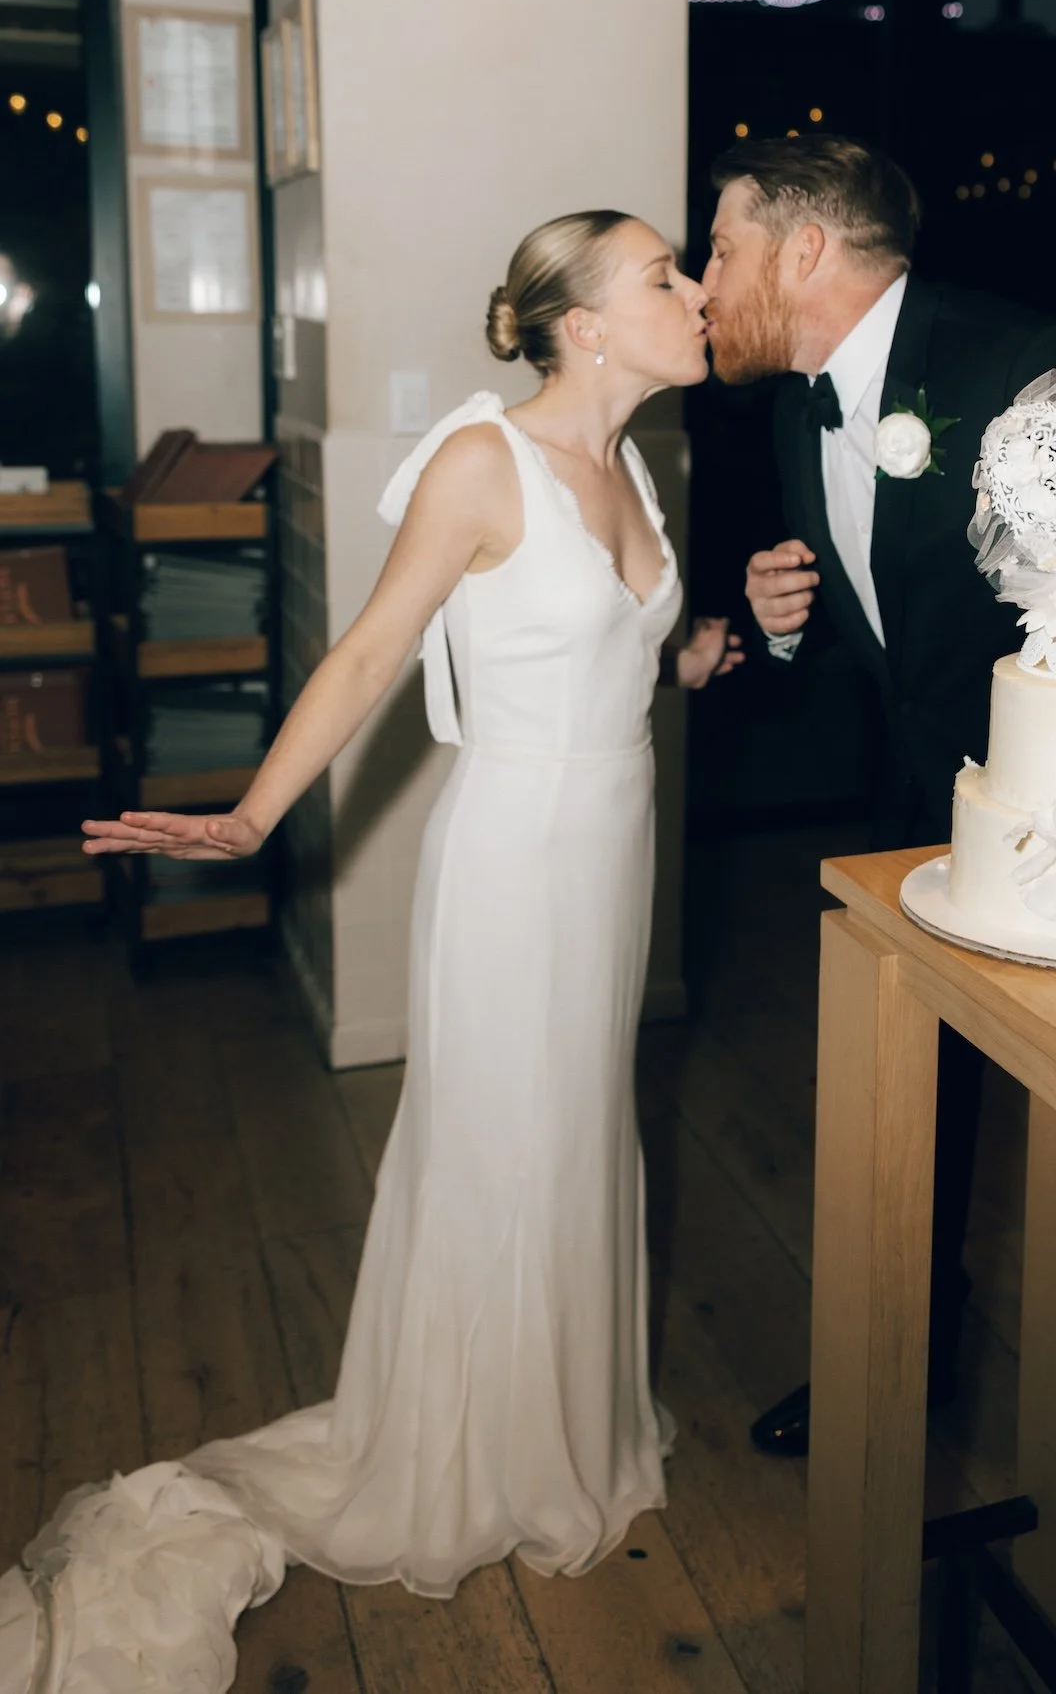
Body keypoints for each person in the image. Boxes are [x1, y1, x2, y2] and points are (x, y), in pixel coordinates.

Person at [0, 211, 740, 1694]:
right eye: (667, 273)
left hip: (613, 852)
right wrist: (252, 816)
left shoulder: (642, 463)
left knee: (582, 1132)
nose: (700, 290)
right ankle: (469, 1445)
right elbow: (365, 653)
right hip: (515, 865)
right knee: (501, 1146)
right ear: (583, 323)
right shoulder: (486, 461)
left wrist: (707, 646)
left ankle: (560, 1425)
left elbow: (612, 651)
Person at [701, 136, 1056, 1511]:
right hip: (925, 810)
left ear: (801, 251)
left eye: (720, 248)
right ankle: (902, 1365)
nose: (704, 278)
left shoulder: (1023, 365)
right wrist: (791, 633)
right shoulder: (798, 411)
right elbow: (902, 632)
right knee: (909, 1104)